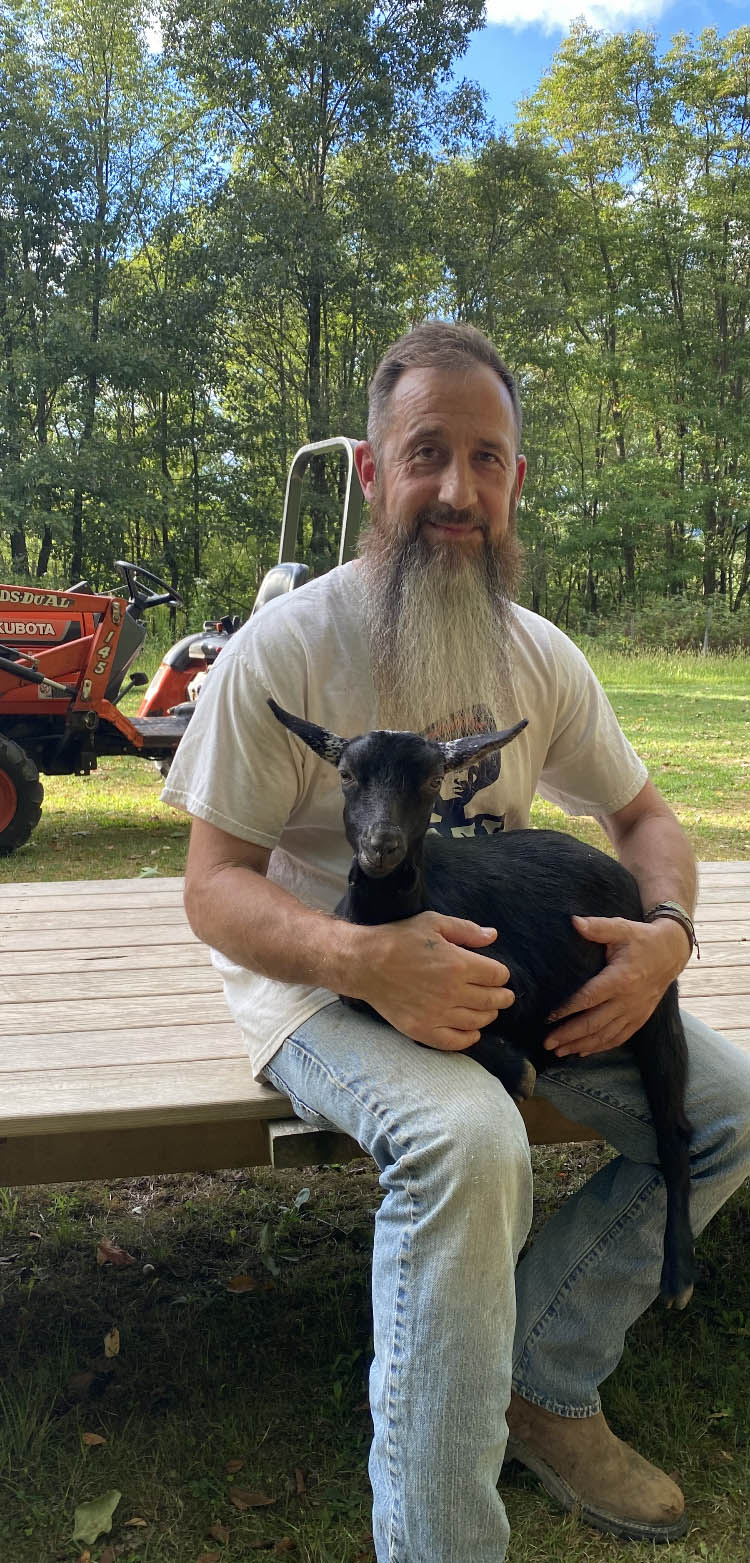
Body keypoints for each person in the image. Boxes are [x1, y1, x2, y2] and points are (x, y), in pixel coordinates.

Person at [162, 321, 750, 1563]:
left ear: (515, 482)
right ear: (374, 474)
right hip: (320, 988)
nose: (457, 488)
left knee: (733, 1105)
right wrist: (357, 957)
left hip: (511, 979)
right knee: (471, 1140)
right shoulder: (288, 648)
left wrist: (667, 939)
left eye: (487, 459)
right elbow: (214, 890)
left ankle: (544, 1375)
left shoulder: (540, 656)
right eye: (426, 453)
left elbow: (646, 818)